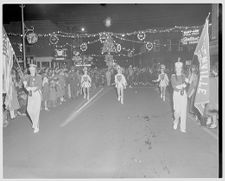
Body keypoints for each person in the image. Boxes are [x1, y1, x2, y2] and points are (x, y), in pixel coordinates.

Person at [23, 64, 42, 133]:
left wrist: (30, 88)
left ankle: (36, 126)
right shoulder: (27, 77)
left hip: (37, 94)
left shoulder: (39, 76)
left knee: (36, 110)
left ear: (35, 70)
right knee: (29, 110)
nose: (31, 71)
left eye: (33, 69)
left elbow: (39, 86)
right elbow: (25, 84)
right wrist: (25, 85)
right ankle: (35, 122)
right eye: (30, 69)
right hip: (30, 94)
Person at [171, 61, 189, 133]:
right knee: (177, 111)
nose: (178, 69)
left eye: (180, 68)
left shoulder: (184, 76)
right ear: (175, 68)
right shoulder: (173, 76)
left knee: (183, 111)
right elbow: (174, 86)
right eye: (177, 68)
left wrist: (187, 82)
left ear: (181, 68)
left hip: (183, 94)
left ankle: (183, 127)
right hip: (176, 94)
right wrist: (183, 85)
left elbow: (186, 84)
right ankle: (176, 121)